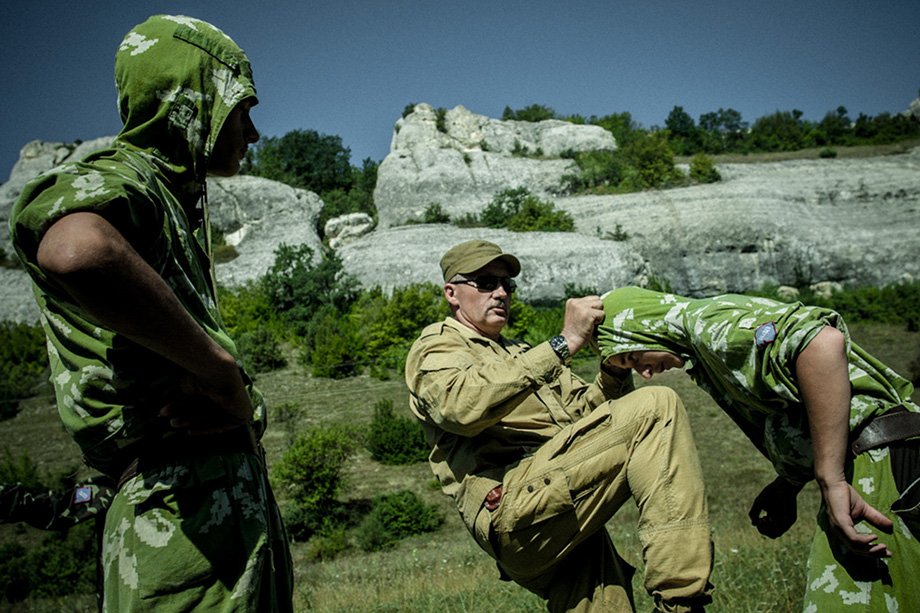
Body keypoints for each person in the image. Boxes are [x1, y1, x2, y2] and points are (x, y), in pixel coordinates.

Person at [9, 15, 293, 611]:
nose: (255, 131)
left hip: (208, 515)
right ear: (196, 102)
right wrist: (221, 373)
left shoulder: (169, 196)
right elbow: (75, 250)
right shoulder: (124, 176)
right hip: (178, 515)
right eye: (242, 108)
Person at [405, 240, 714, 613]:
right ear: (452, 293)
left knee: (604, 602)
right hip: (511, 506)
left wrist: (613, 370)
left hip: (556, 499)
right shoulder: (436, 346)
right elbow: (458, 406)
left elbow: (586, 419)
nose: (501, 292)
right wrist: (564, 342)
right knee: (656, 406)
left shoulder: (520, 352)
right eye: (486, 282)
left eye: (508, 285)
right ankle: (681, 603)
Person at [596, 287, 920, 611]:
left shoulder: (707, 324)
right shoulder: (700, 344)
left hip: (878, 463)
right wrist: (789, 484)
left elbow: (821, 344)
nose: (646, 373)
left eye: (633, 356)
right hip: (884, 460)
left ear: (645, 326)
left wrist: (830, 478)